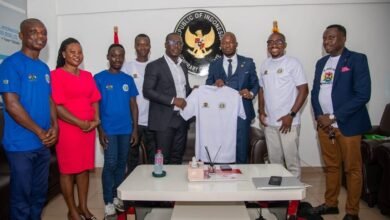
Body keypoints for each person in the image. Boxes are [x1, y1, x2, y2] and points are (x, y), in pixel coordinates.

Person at [311, 24, 371, 220]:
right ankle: (331, 204)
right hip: (325, 126)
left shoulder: (357, 60)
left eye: (331, 37)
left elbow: (363, 94)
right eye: (324, 38)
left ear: (344, 39)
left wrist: (334, 116)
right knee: (331, 167)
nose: (326, 41)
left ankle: (352, 212)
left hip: (348, 125)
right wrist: (320, 117)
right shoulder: (321, 63)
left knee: (352, 169)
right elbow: (315, 93)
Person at [0, 18, 58, 220]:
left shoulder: (43, 68)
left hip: (42, 144)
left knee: (38, 196)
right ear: (21, 36)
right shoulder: (11, 64)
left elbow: (49, 99)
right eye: (33, 32)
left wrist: (55, 126)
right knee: (21, 199)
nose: (40, 36)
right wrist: (40, 131)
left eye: (43, 32)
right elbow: (12, 104)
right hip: (20, 145)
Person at [51, 38, 101, 220]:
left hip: (88, 130)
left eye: (79, 52)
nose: (77, 55)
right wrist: (80, 123)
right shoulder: (56, 75)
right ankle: (72, 210)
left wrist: (95, 119)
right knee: (68, 170)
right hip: (68, 130)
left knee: (84, 169)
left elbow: (94, 98)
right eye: (72, 52)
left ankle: (83, 207)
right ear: (63, 54)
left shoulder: (87, 76)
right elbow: (57, 107)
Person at [95, 43, 139, 219]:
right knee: (110, 164)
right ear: (108, 57)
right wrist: (100, 129)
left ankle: (117, 198)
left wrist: (135, 130)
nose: (117, 59)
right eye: (114, 55)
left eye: (121, 55)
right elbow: (95, 106)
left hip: (126, 130)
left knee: (122, 165)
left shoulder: (128, 79)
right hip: (109, 130)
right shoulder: (98, 78)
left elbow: (134, 106)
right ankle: (107, 202)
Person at [258, 32, 308, 179]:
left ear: (285, 45)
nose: (274, 45)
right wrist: (261, 111)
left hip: (288, 123)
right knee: (274, 162)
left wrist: (291, 115)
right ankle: (278, 193)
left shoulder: (293, 63)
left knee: (291, 162)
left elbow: (304, 90)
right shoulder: (264, 64)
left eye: (278, 42)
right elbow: (261, 89)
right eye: (270, 42)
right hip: (270, 123)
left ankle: (294, 199)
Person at [206, 32, 259, 164]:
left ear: (236, 44)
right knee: (222, 149)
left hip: (242, 113)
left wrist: (251, 93)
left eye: (230, 42)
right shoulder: (214, 64)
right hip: (220, 114)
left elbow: (256, 84)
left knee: (241, 150)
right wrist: (214, 84)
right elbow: (207, 85)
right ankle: (223, 180)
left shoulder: (248, 63)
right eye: (224, 43)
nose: (227, 45)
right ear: (220, 46)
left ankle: (242, 181)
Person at [143, 32, 191, 165]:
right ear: (165, 45)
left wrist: (195, 91)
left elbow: (184, 90)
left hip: (181, 118)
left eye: (179, 43)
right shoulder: (154, 66)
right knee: (162, 159)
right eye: (172, 42)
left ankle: (174, 186)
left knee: (177, 158)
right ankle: (160, 186)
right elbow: (147, 91)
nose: (175, 46)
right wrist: (173, 100)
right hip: (163, 120)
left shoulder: (183, 66)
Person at [122, 34, 156, 173]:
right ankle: (131, 188)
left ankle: (153, 189)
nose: (143, 47)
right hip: (133, 122)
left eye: (146, 44)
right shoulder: (127, 67)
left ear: (150, 47)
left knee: (153, 159)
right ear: (135, 46)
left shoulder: (155, 66)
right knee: (132, 159)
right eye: (139, 44)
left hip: (153, 121)